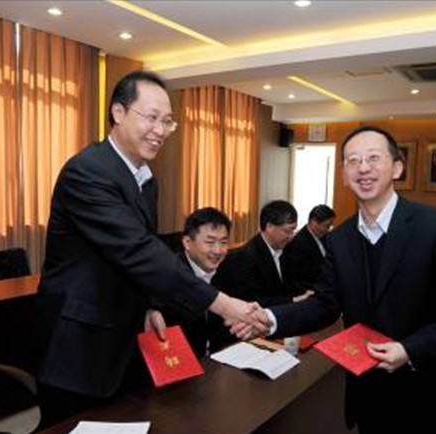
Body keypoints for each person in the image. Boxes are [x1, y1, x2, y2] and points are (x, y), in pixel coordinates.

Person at [34, 70, 262, 428]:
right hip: (79, 343)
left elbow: (144, 249)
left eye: (167, 121)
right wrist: (224, 304)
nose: (160, 130)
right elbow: (137, 251)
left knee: (128, 420)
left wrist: (150, 305)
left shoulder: (144, 179)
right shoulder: (88, 171)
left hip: (124, 334)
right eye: (151, 118)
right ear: (118, 112)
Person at [236, 126, 436, 434]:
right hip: (369, 388)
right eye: (353, 160)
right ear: (344, 174)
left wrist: (410, 349)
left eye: (373, 158)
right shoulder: (339, 239)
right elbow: (325, 304)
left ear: (397, 168)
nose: (363, 168)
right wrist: (271, 318)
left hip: (432, 386)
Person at [147, 207, 234, 357]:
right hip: (180, 360)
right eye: (210, 242)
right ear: (187, 242)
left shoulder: (229, 269)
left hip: (217, 359)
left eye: (223, 242)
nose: (218, 250)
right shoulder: (168, 274)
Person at [216, 200, 313, 307]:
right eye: (287, 231)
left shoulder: (287, 249)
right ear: (269, 226)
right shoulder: (245, 257)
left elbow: (289, 283)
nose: (290, 237)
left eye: (293, 230)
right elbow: (253, 301)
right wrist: (294, 300)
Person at [282, 204, 336, 289]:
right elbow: (298, 276)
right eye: (327, 226)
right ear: (314, 222)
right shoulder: (298, 243)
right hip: (311, 289)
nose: (328, 229)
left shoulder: (326, 237)